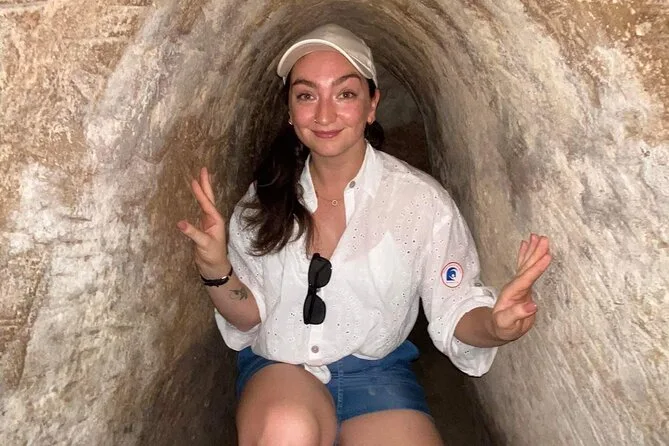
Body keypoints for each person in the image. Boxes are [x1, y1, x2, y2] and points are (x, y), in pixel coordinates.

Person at [177, 23, 552, 446]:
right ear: (290, 111)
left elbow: (456, 307)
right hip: (283, 366)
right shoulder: (264, 200)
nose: (324, 115)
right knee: (287, 430)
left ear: (372, 105)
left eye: (344, 94)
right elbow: (249, 316)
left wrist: (496, 326)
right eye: (306, 96)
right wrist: (216, 268)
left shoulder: (420, 202)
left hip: (378, 374)